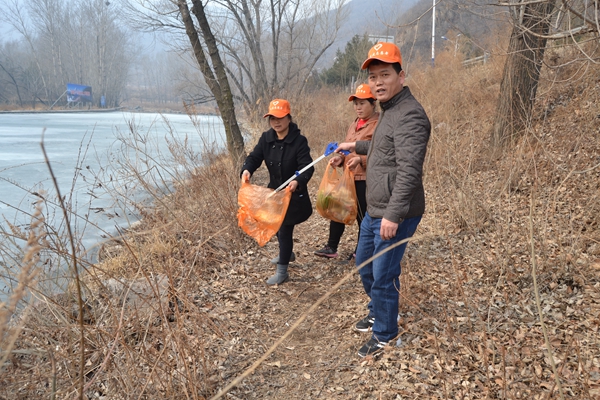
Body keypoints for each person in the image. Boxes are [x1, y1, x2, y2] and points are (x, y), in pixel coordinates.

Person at [336, 42, 431, 357]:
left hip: (396, 212)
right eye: (373, 76)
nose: (378, 82)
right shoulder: (389, 111)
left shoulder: (410, 115)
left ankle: (386, 334)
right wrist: (351, 147)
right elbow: (381, 148)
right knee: (365, 264)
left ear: (401, 76)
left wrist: (393, 215)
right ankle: (379, 310)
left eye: (385, 74)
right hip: (376, 208)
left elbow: (408, 172)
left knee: (383, 273)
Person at [241, 99, 314, 285]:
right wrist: (246, 170)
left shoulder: (299, 141)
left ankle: (282, 272)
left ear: (288, 117)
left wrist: (298, 181)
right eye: (272, 118)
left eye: (280, 117)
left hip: (293, 195)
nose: (276, 122)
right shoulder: (266, 138)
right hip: (275, 193)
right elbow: (254, 157)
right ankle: (287, 254)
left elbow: (307, 166)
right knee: (278, 227)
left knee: (284, 230)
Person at [314, 84, 378, 260]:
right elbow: (348, 149)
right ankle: (331, 247)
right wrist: (340, 159)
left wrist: (362, 160)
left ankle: (361, 252)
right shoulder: (354, 124)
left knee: (363, 216)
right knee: (338, 208)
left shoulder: (379, 124)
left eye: (362, 103)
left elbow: (383, 153)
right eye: (356, 103)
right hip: (348, 176)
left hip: (366, 178)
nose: (358, 107)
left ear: (373, 104)